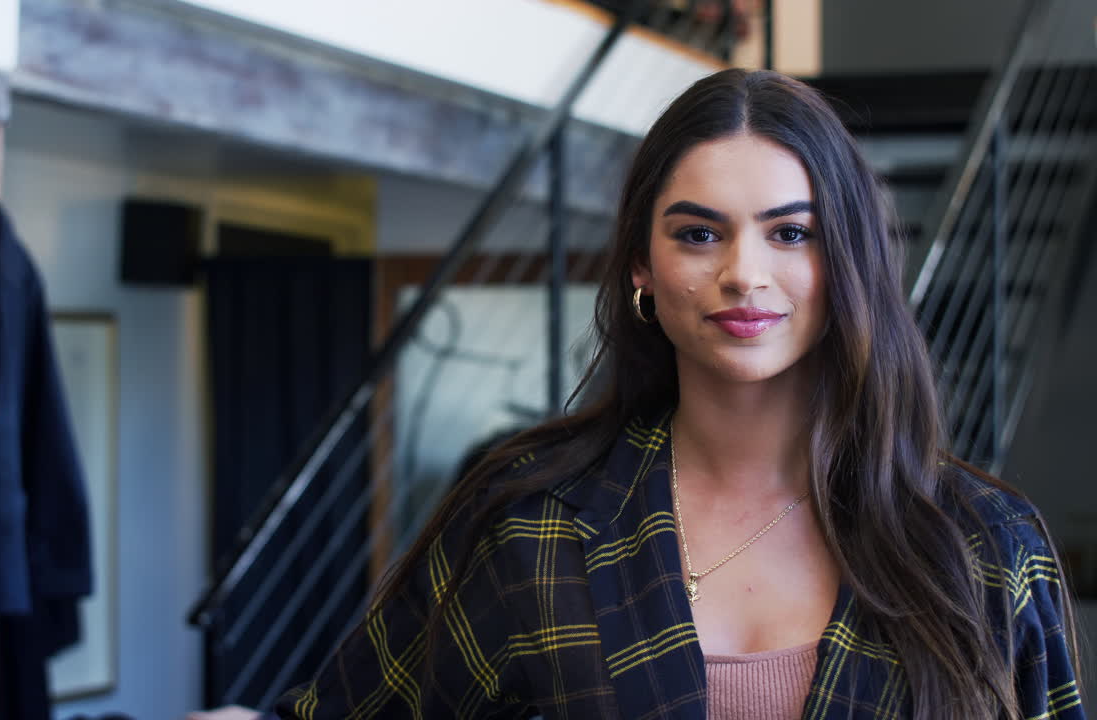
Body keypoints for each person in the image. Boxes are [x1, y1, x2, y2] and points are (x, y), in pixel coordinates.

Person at [270, 69, 1086, 719]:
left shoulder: (984, 541)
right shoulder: (529, 518)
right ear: (641, 268)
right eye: (699, 234)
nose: (743, 274)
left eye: (790, 233)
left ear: (848, 263)